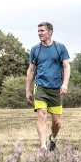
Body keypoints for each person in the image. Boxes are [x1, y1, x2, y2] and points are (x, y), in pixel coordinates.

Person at [25, 22, 71, 153]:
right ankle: (43, 147)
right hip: (40, 87)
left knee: (56, 122)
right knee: (41, 114)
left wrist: (65, 83)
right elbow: (31, 70)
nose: (39, 33)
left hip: (56, 88)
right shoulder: (35, 49)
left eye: (42, 31)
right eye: (38, 31)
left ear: (50, 32)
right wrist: (27, 89)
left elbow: (66, 66)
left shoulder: (60, 48)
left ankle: (53, 139)